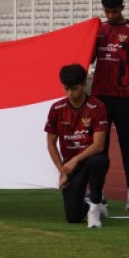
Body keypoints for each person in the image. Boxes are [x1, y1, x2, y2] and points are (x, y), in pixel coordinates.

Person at [91, 0, 129, 210]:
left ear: (122, 7)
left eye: (114, 11)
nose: (111, 15)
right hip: (100, 97)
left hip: (124, 96)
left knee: (127, 147)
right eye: (107, 11)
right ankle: (99, 192)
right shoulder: (99, 30)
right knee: (99, 148)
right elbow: (90, 58)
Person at [45, 64, 110, 228]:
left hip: (89, 159)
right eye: (66, 89)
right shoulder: (57, 109)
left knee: (98, 161)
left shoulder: (97, 107)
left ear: (83, 84)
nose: (70, 94)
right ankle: (88, 206)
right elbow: (51, 144)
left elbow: (99, 145)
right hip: (72, 167)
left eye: (74, 89)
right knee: (73, 217)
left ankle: (95, 205)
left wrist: (76, 159)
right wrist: (63, 171)